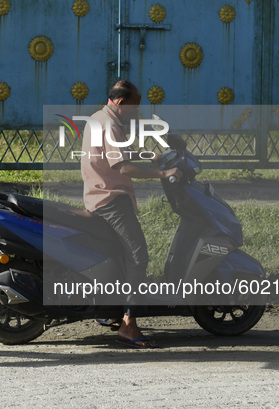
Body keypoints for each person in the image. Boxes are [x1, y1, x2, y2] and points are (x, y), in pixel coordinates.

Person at [81, 80, 182, 348]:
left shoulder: (97, 118)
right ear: (123, 103)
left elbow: (113, 153)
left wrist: (148, 154)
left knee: (118, 254)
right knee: (138, 256)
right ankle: (128, 324)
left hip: (96, 196)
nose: (136, 113)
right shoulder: (111, 123)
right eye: (135, 107)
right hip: (111, 200)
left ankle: (110, 311)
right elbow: (122, 167)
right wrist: (164, 173)